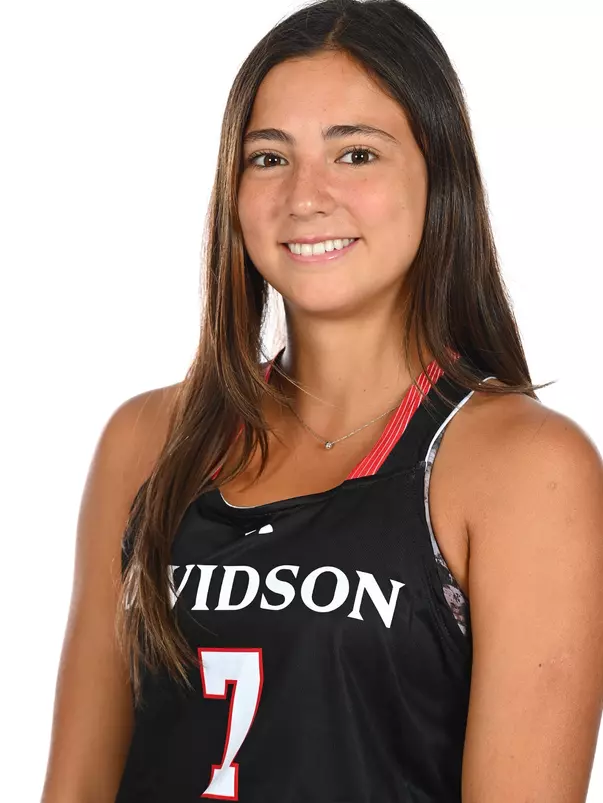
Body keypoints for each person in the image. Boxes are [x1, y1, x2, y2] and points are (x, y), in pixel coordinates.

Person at [41, 1, 603, 801]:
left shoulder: (524, 467)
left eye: (356, 153)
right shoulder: (146, 440)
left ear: (438, 173)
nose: (305, 196)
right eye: (269, 158)